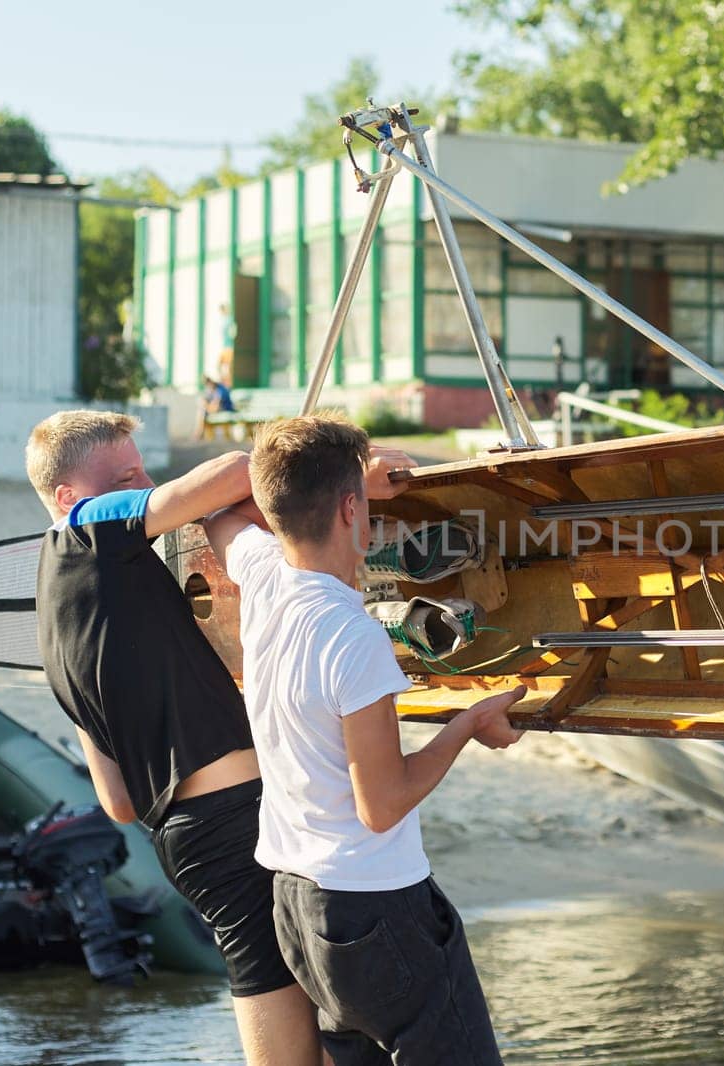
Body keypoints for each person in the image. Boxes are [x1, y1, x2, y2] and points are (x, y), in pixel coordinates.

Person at [26, 410, 416, 1066]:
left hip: (188, 838)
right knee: (297, 1018)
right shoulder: (84, 531)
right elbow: (238, 472)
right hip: (233, 821)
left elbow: (119, 802)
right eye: (127, 477)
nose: (147, 484)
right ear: (69, 499)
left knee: (289, 1000)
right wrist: (349, 471)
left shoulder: (58, 612)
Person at [204, 415, 524, 1065]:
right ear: (354, 508)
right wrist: (466, 726)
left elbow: (220, 517)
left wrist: (336, 477)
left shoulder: (264, 579)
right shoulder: (355, 638)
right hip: (374, 909)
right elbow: (383, 802)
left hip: (295, 908)